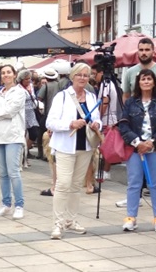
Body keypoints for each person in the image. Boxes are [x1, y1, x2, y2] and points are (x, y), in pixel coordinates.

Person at [46, 62, 102, 239]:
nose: (83, 78)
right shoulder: (62, 97)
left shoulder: (92, 97)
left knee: (77, 185)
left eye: (86, 75)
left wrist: (96, 124)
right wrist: (70, 124)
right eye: (80, 75)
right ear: (73, 76)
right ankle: (57, 223)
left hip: (84, 146)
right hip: (65, 146)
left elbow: (98, 119)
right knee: (63, 184)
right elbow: (50, 122)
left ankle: (70, 220)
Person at [117, 69, 156, 232]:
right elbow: (123, 124)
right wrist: (137, 142)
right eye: (143, 79)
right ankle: (131, 217)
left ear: (154, 82)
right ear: (138, 82)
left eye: (149, 79)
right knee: (134, 182)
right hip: (135, 148)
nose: (146, 82)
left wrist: (152, 142)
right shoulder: (131, 102)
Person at [0, 64, 26, 220]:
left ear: (14, 74)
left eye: (9, 72)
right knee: (2, 173)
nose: (6, 75)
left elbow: (11, 112)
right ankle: (6, 203)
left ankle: (19, 205)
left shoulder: (20, 92)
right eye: (3, 73)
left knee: (13, 172)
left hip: (13, 136)